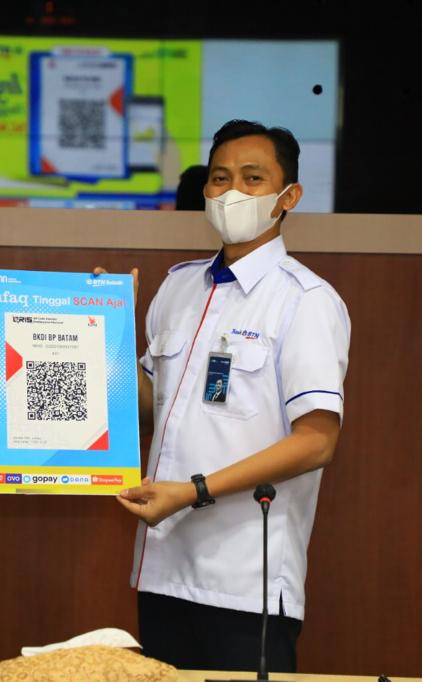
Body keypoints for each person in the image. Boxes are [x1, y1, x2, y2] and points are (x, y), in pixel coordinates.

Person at [118, 120, 351, 672]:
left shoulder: (306, 300)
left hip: (247, 584)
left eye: (253, 178)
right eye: (220, 178)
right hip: (162, 570)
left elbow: (317, 442)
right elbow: (150, 410)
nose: (232, 192)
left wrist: (193, 491)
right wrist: (103, 338)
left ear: (288, 196)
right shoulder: (177, 286)